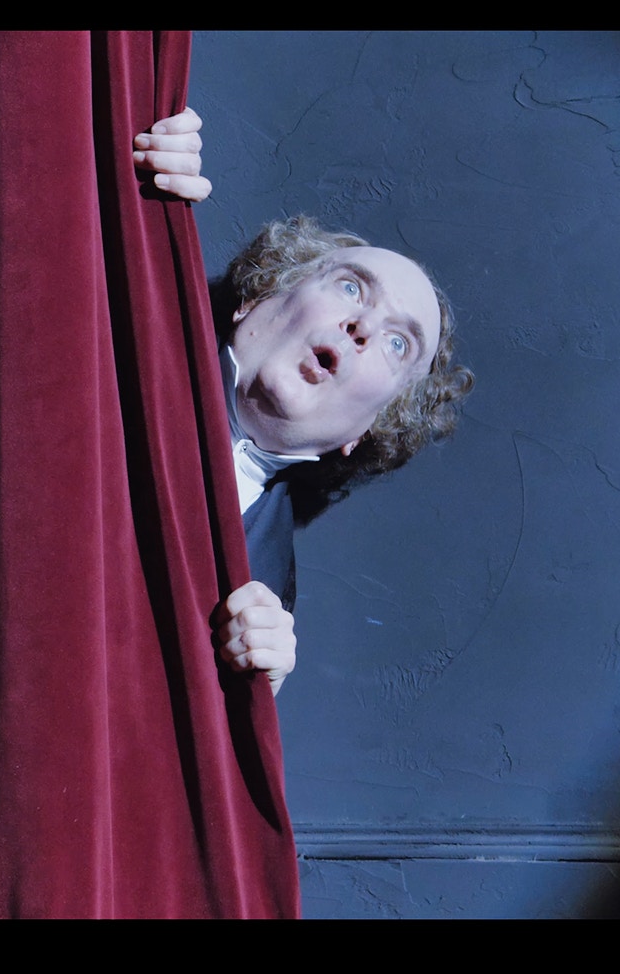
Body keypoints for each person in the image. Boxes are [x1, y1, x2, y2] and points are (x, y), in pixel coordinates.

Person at [134, 109, 474, 696]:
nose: (363, 325)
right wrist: (128, 164)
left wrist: (246, 699)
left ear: (369, 428)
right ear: (258, 296)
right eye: (350, 286)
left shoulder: (268, 586)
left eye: (398, 343)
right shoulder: (121, 306)